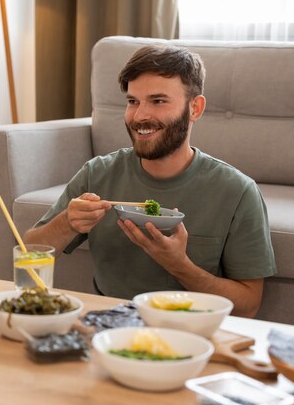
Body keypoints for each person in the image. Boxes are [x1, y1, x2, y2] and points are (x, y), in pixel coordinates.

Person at [24, 43, 276, 318]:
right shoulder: (97, 174)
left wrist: (178, 264)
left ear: (195, 108)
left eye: (158, 101)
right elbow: (29, 254)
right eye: (133, 101)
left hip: (191, 329)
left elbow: (248, 305)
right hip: (108, 326)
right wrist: (67, 222)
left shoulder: (237, 192)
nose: (140, 116)